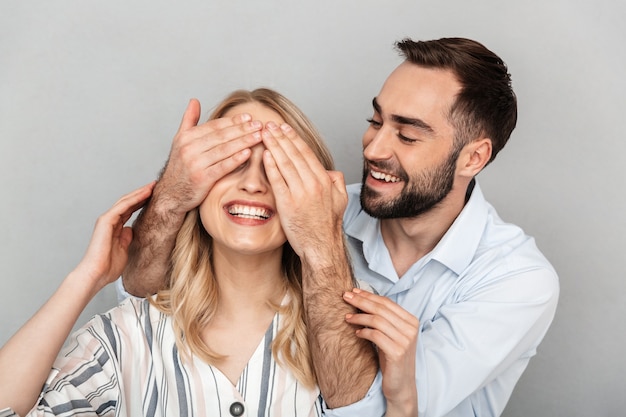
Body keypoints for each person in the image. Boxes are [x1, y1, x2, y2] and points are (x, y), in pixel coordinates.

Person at [122, 38, 560, 417]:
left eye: (407, 136)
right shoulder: (315, 206)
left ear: (474, 158)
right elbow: (144, 301)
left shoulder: (519, 281)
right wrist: (172, 195)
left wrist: (320, 243)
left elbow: (377, 409)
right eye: (376, 121)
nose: (374, 147)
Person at [0, 88, 418, 416]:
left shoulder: (358, 333)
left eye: (276, 167)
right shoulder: (125, 335)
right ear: (193, 188)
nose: (253, 184)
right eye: (231, 162)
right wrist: (84, 279)